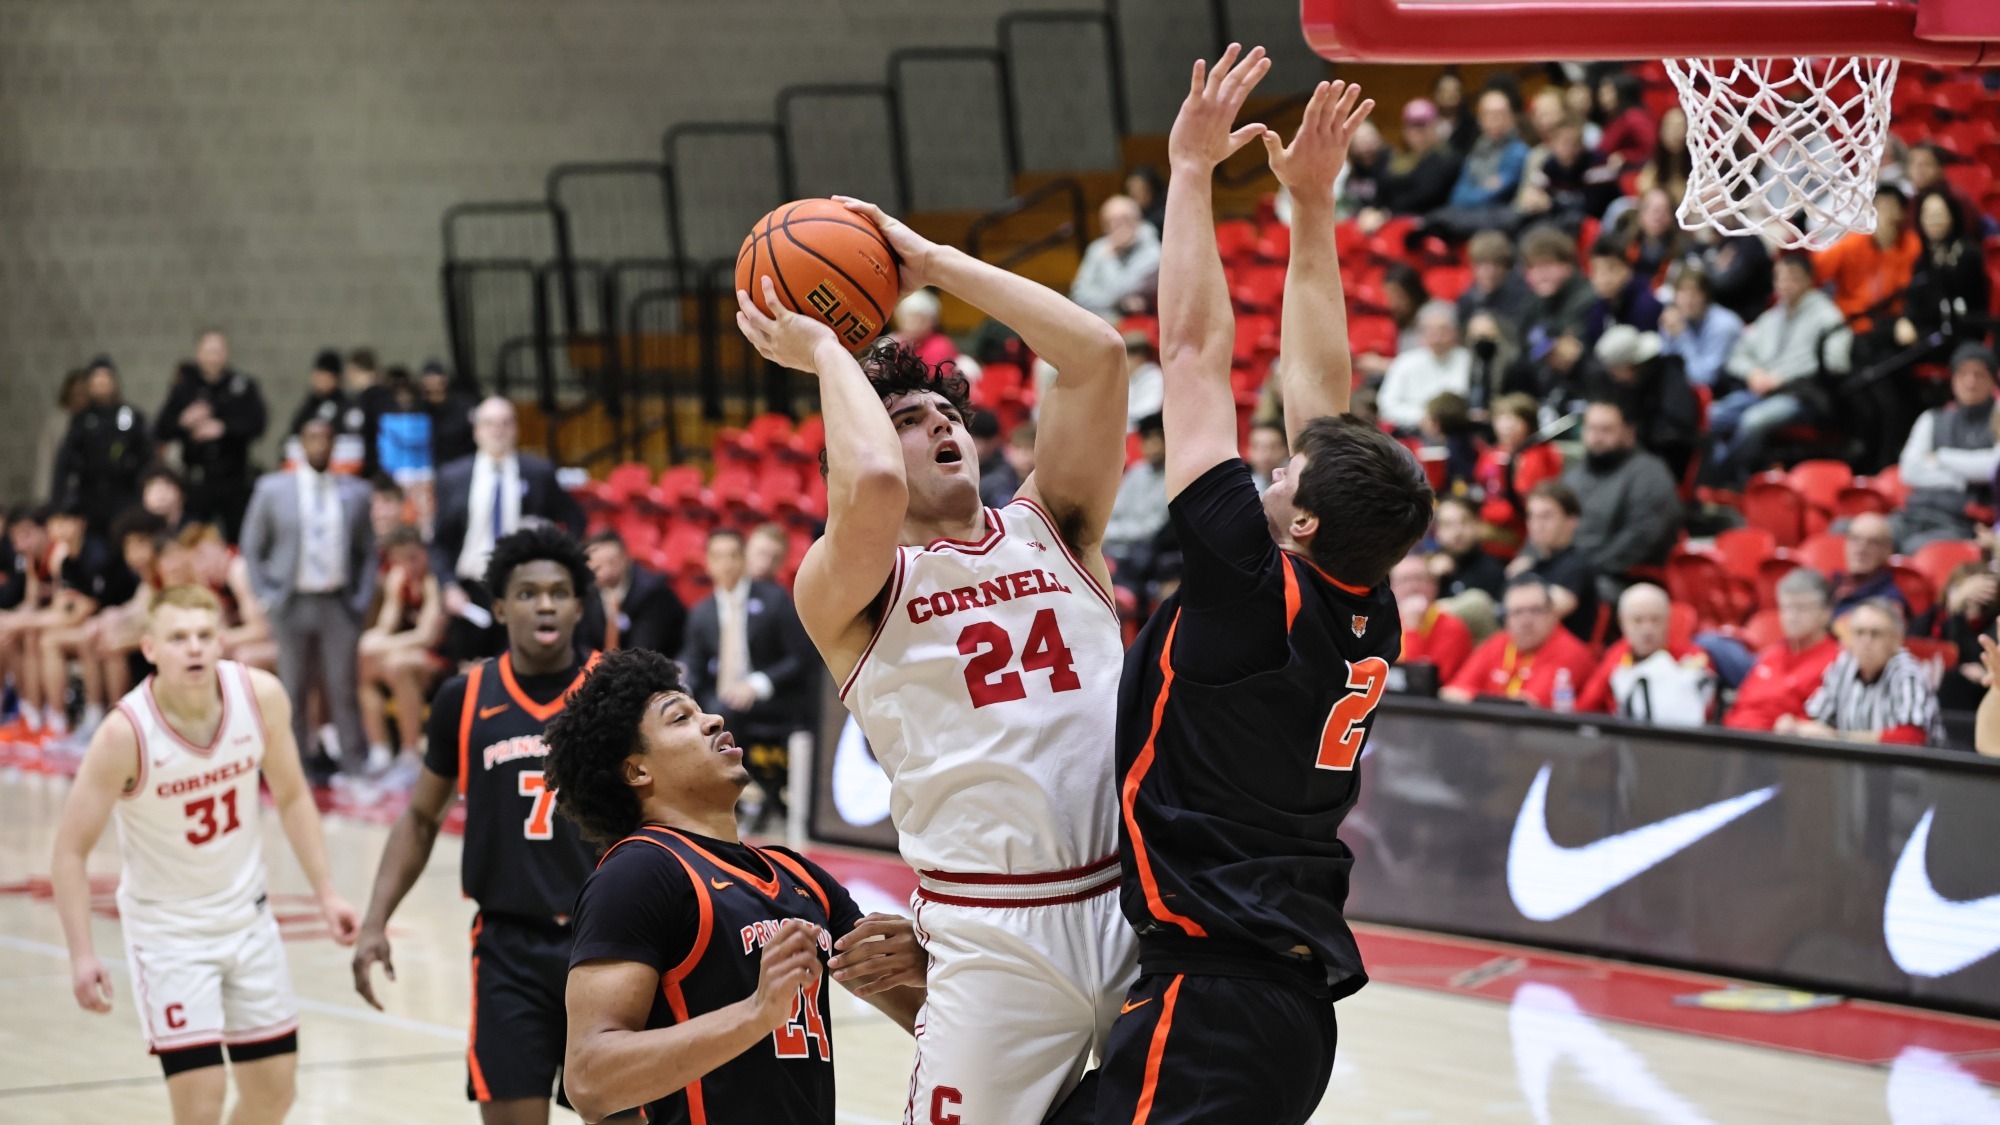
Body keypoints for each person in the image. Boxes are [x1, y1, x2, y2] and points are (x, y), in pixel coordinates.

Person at [734, 173, 1135, 1119]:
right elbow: (870, 480)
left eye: (947, 414)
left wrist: (939, 264)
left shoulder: (1055, 525)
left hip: (1135, 900)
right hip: (991, 933)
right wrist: (830, 347)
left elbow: (1099, 357)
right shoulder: (848, 585)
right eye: (911, 420)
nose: (940, 426)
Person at [1094, 64, 1434, 1125]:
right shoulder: (1362, 600)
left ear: (1304, 524)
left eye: (1281, 476)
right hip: (1270, 999)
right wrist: (1313, 206)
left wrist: (1188, 171)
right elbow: (1318, 402)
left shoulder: (1254, 593)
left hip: (1215, 995)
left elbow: (1193, 356)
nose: (1268, 467)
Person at [544, 648, 927, 1123]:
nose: (712, 719)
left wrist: (922, 966)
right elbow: (589, 1080)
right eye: (680, 718)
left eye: (702, 708)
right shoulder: (637, 873)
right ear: (638, 770)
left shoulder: (799, 876)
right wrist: (754, 1016)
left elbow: (924, 1017)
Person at [50, 585, 360, 1125]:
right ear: (149, 648)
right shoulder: (125, 734)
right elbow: (70, 852)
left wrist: (326, 891)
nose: (193, 648)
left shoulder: (259, 697)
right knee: (201, 1105)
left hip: (248, 922)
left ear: (221, 641)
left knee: (274, 1095)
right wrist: (81, 954)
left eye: (203, 635)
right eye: (177, 638)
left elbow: (291, 795)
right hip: (169, 937)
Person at [351, 526, 607, 1122]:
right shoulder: (464, 698)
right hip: (507, 948)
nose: (544, 603)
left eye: (559, 591)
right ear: (499, 606)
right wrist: (374, 921)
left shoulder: (615, 693)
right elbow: (419, 819)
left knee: (621, 1114)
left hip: (609, 943)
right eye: (527, 593)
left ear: (578, 605)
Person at [238, 418, 378, 774]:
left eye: (327, 438)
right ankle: (295, 765)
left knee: (342, 686)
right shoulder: (273, 489)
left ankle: (353, 764)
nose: (320, 445)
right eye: (313, 438)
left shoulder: (356, 492)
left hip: (337, 601)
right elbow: (252, 546)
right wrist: (265, 595)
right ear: (301, 444)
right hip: (291, 601)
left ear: (334, 445)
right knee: (293, 688)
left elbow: (368, 552)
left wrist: (361, 600)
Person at [431, 397, 586, 663]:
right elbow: (439, 542)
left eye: (505, 423)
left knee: (524, 666)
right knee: (471, 675)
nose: (498, 430)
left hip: (524, 589)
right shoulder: (452, 476)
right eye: (490, 424)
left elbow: (575, 519)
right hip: (471, 591)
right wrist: (448, 586)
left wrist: (554, 553)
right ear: (476, 431)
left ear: (515, 429)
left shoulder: (538, 472)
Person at [679, 528, 813, 829]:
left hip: (774, 699)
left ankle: (732, 798)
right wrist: (681, 677)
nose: (726, 564)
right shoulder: (701, 612)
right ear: (707, 563)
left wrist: (757, 684)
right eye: (718, 557)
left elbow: (800, 657)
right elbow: (693, 663)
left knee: (721, 713)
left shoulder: (775, 599)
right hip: (722, 701)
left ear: (744, 559)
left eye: (733, 556)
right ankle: (743, 798)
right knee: (696, 711)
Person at [1709, 254, 1851, 483]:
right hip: (1762, 391)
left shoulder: (1828, 316)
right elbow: (1738, 355)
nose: (1784, 284)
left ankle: (1719, 476)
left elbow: (1837, 362)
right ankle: (1728, 474)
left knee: (1753, 421)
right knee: (1710, 415)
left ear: (1808, 280)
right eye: (1779, 278)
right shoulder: (1772, 316)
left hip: (1802, 396)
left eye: (1791, 278)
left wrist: (1783, 378)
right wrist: (1753, 373)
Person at [38, 510, 160, 751]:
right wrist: (109, 617)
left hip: (163, 641)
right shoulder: (144, 578)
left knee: (110, 643)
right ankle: (95, 720)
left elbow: (156, 617)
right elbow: (136, 608)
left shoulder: (165, 568)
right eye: (129, 547)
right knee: (97, 637)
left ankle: (119, 725)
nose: (134, 554)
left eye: (140, 545)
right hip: (147, 637)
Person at [154, 330, 268, 542]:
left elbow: (258, 424)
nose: (213, 357)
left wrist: (223, 428)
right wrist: (183, 421)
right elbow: (160, 429)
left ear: (226, 353)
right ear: (198, 353)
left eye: (218, 351)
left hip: (233, 478)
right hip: (197, 480)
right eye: (208, 351)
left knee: (239, 538)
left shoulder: (242, 386)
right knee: (192, 537)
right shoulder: (184, 388)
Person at [1782, 598, 1944, 746]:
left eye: (1875, 634)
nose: (1866, 642)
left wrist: (1838, 737)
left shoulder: (1907, 672)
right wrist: (1795, 725)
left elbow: (1912, 738)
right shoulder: (1844, 665)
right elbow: (1815, 717)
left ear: (1896, 640)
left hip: (1910, 773)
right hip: (1855, 771)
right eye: (1859, 633)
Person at [357, 526, 447, 779]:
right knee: (365, 660)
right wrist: (371, 642)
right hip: (409, 654)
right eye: (400, 559)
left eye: (413, 557)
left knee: (398, 663)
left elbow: (427, 637)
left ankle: (411, 755)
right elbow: (386, 625)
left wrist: (381, 645)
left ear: (425, 552)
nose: (408, 564)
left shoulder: (434, 580)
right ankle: (380, 750)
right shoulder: (398, 578)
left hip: (442, 659)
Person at [1894, 343, 2000, 550]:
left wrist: (1941, 457)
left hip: (1961, 522)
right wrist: (1963, 479)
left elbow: (1992, 467)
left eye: (1979, 375)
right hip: (1914, 512)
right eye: (1963, 374)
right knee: (1856, 532)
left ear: (1993, 382)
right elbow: (1910, 471)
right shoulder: (1932, 418)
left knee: (1914, 547)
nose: (1971, 382)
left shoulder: (1997, 418)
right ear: (1952, 380)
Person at [1565, 399, 1683, 580]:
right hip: (1572, 571)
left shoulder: (1649, 474)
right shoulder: (1574, 474)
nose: (1597, 437)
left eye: (1606, 429)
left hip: (1621, 578)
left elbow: (1641, 538)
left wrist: (1583, 571)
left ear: (1629, 432)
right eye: (1591, 428)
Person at [1441, 576, 1599, 706]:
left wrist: (1473, 702)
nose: (1526, 621)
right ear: (1506, 618)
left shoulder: (1570, 652)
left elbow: (1529, 708)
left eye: (1535, 611)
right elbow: (1452, 693)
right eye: (1517, 612)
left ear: (1553, 612)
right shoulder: (1497, 643)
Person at [1722, 568, 1842, 730]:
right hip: (1730, 740)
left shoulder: (1838, 663)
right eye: (1786, 608)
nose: (1791, 616)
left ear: (1825, 613)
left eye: (1801, 608)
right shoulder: (1770, 656)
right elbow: (1740, 705)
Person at [1576, 583, 1714, 723]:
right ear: (1622, 623)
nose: (1647, 630)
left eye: (1655, 620)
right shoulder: (1615, 657)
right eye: (1638, 621)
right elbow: (1586, 706)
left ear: (1668, 620)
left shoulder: (1691, 658)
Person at [51, 357, 151, 545]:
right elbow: (64, 462)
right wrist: (58, 505)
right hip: (91, 500)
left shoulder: (130, 415)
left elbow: (148, 456)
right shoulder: (81, 420)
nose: (102, 384)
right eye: (97, 380)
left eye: (106, 379)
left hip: (125, 497)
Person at [1582, 325, 1700, 480]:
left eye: (1614, 370)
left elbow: (1677, 428)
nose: (1613, 377)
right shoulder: (1626, 385)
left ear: (1628, 367)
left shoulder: (1669, 377)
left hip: (1666, 458)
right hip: (1632, 454)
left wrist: (1632, 435)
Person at [1895, 188, 1990, 365]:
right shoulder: (1923, 259)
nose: (1933, 220)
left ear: (1952, 216)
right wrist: (1906, 320)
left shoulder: (1967, 254)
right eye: (1928, 215)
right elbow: (1914, 299)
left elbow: (1958, 306)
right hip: (1929, 333)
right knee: (1877, 342)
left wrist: (1919, 331)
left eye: (1939, 214)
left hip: (1960, 334)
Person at [1505, 481, 1601, 643]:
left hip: (1561, 655)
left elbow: (1538, 618)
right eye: (1532, 516)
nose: (1536, 525)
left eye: (1546, 516)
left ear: (1571, 521)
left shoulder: (1577, 565)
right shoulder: (1531, 565)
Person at [1473, 392, 1564, 552]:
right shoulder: (1490, 454)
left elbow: (1528, 500)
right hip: (1488, 525)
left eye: (1514, 419)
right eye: (1501, 418)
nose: (1507, 425)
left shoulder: (1538, 454)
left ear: (1528, 423)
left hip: (1522, 531)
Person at [585, 530, 687, 655]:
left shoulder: (653, 592)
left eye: (612, 563)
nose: (606, 572)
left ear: (625, 558)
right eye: (598, 566)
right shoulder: (588, 592)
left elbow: (642, 650)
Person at [1377, 301, 1472, 433]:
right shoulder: (1404, 362)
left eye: (1443, 330)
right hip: (1410, 430)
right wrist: (1420, 417)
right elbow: (1387, 405)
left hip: (1456, 429)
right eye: (1431, 330)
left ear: (1454, 332)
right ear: (1421, 333)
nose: (1437, 337)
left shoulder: (1468, 360)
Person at [1103, 411, 1170, 584]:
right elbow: (1114, 511)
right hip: (1117, 544)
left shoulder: (1173, 477)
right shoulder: (1136, 472)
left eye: (1157, 440)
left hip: (1146, 550)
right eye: (1147, 440)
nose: (1152, 447)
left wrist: (1111, 534)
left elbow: (1152, 528)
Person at [1069, 194, 1160, 321]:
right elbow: (1078, 294)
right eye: (1110, 222)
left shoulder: (1153, 252)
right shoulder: (1097, 248)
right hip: (1097, 320)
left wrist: (1110, 257)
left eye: (1125, 220)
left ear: (1138, 221)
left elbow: (1118, 290)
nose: (1118, 226)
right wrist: (1122, 304)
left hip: (1134, 326)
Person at [1371, 97, 1461, 218]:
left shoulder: (1446, 159)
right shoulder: (1392, 157)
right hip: (1390, 218)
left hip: (1425, 222)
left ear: (1435, 126)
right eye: (1412, 126)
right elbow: (1380, 191)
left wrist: (1387, 213)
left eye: (1423, 126)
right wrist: (1374, 210)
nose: (1418, 133)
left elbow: (1426, 196)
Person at [1657, 267, 1744, 391]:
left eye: (1694, 293)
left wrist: (1681, 337)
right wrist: (1667, 334)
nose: (1687, 300)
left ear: (1706, 296)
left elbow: (1703, 379)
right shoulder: (1678, 319)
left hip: (1728, 391)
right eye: (1682, 292)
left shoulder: (1723, 325)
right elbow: (1665, 367)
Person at [1392, 553, 1473, 683]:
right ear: (1393, 588)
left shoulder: (1453, 627)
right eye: (1405, 580)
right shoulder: (1383, 622)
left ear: (1434, 585)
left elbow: (1422, 682)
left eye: (1419, 579)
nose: (1413, 586)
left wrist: (1413, 629)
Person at [1584, 236, 1662, 342]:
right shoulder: (1597, 308)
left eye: (1611, 269)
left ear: (1628, 269)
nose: (1603, 279)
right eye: (1596, 270)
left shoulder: (1647, 305)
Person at [1455, 230, 1535, 331]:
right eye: (1482, 264)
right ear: (1473, 266)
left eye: (1496, 264)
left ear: (1506, 267)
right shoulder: (1468, 299)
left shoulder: (1521, 296)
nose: (1490, 272)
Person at [34, 369, 90, 505]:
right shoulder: (56, 421)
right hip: (61, 490)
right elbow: (46, 460)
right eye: (75, 394)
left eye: (83, 394)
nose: (79, 399)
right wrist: (43, 496)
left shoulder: (93, 420)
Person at [420, 360, 479, 467]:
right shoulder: (419, 407)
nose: (432, 380)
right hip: (427, 467)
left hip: (461, 463)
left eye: (436, 375)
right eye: (429, 376)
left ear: (445, 379)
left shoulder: (464, 404)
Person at [1594, 72, 1656, 171]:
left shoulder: (1635, 117)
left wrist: (1626, 156)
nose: (1602, 96)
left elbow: (1652, 148)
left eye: (1608, 92)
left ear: (1621, 92)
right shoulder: (1615, 118)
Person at [889, 288, 961, 370]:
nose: (913, 323)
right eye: (908, 317)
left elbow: (937, 379)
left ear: (931, 322)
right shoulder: (892, 342)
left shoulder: (940, 345)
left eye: (919, 318)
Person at [287, 349, 347, 436]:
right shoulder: (310, 404)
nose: (319, 380)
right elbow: (295, 430)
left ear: (336, 378)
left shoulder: (344, 407)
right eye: (318, 375)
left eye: (324, 376)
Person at [980, 418, 1037, 509]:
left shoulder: (1039, 483)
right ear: (1009, 450)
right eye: (1018, 448)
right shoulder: (996, 482)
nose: (1026, 455)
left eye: (1031, 449)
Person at [1247, 421, 1289, 493]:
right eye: (1259, 447)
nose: (1266, 455)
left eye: (1274, 447)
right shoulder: (1246, 488)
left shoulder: (1297, 484)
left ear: (1286, 450)